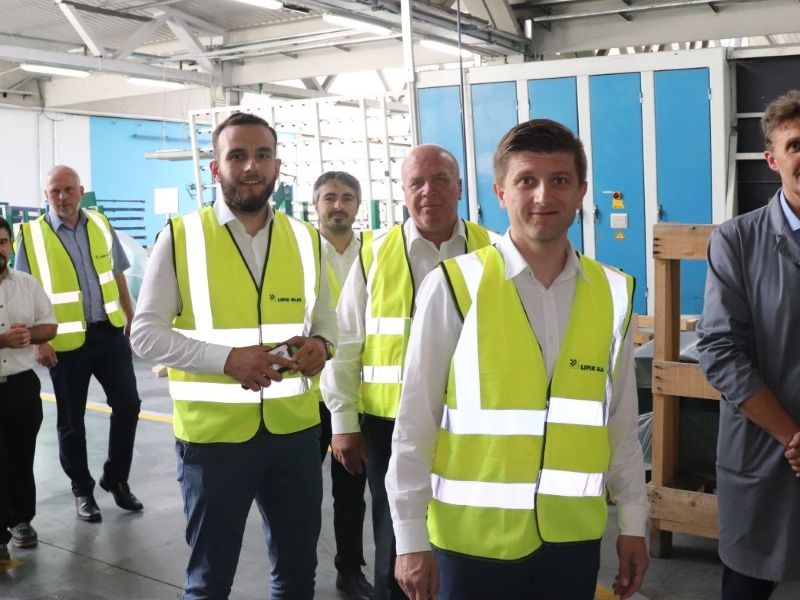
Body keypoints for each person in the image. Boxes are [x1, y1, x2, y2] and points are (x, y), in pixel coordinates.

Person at [386, 120, 650, 600]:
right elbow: (415, 422)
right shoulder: (454, 287)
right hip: (472, 543)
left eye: (560, 180)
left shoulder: (612, 293)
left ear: (581, 192)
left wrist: (634, 522)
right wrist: (409, 538)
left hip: (571, 540)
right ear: (501, 193)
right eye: (526, 180)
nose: (543, 196)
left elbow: (621, 423)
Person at [130, 111, 337, 600]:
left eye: (262, 155)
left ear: (277, 165)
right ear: (215, 168)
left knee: (297, 576)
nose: (251, 167)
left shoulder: (306, 239)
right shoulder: (180, 237)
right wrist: (226, 359)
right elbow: (145, 336)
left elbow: (327, 321)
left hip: (294, 434)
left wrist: (322, 346)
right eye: (237, 156)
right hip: (214, 440)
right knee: (210, 581)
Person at [322, 144, 497, 600]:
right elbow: (345, 343)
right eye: (416, 183)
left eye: (440, 180)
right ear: (403, 192)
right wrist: (343, 423)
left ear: (459, 187)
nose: (428, 192)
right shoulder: (374, 254)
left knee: (470, 533)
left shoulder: (495, 251)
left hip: (473, 423)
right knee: (398, 538)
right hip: (390, 425)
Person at [697, 89, 800, 600]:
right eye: (795, 144)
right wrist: (792, 435)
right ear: (772, 159)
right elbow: (719, 350)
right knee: (747, 583)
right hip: (764, 448)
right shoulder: (737, 240)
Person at [15, 165, 143, 523]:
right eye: (55, 191)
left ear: (80, 191)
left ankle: (116, 478)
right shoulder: (32, 235)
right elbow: (23, 292)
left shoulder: (100, 224)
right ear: (46, 195)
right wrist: (39, 341)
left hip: (109, 333)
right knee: (72, 421)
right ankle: (82, 491)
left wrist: (131, 317)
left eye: (68, 189)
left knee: (129, 404)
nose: (62, 197)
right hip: (64, 343)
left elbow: (117, 275)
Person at [313, 171, 374, 600]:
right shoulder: (299, 252)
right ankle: (296, 571)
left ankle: (350, 570)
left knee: (351, 491)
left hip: (354, 391)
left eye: (347, 198)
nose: (339, 205)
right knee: (300, 494)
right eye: (330, 197)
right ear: (316, 205)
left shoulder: (373, 254)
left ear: (358, 205)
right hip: (306, 393)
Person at [0, 217, 57, 561]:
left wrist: (30, 335)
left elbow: (49, 325)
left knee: (21, 457)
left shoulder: (27, 284)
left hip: (21, 386)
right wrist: (3, 341)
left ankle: (22, 520)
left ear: (10, 245)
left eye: (2, 242)